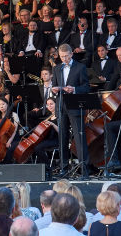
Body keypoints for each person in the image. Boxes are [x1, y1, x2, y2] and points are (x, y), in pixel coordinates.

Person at [51, 43, 90, 179]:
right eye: (62, 57)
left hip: (74, 104)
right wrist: (54, 89)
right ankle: (63, 168)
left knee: (79, 138)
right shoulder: (57, 68)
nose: (64, 59)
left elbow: (86, 87)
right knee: (62, 137)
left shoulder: (80, 67)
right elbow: (54, 85)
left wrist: (74, 89)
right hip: (61, 105)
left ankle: (84, 169)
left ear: (71, 54)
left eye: (66, 56)